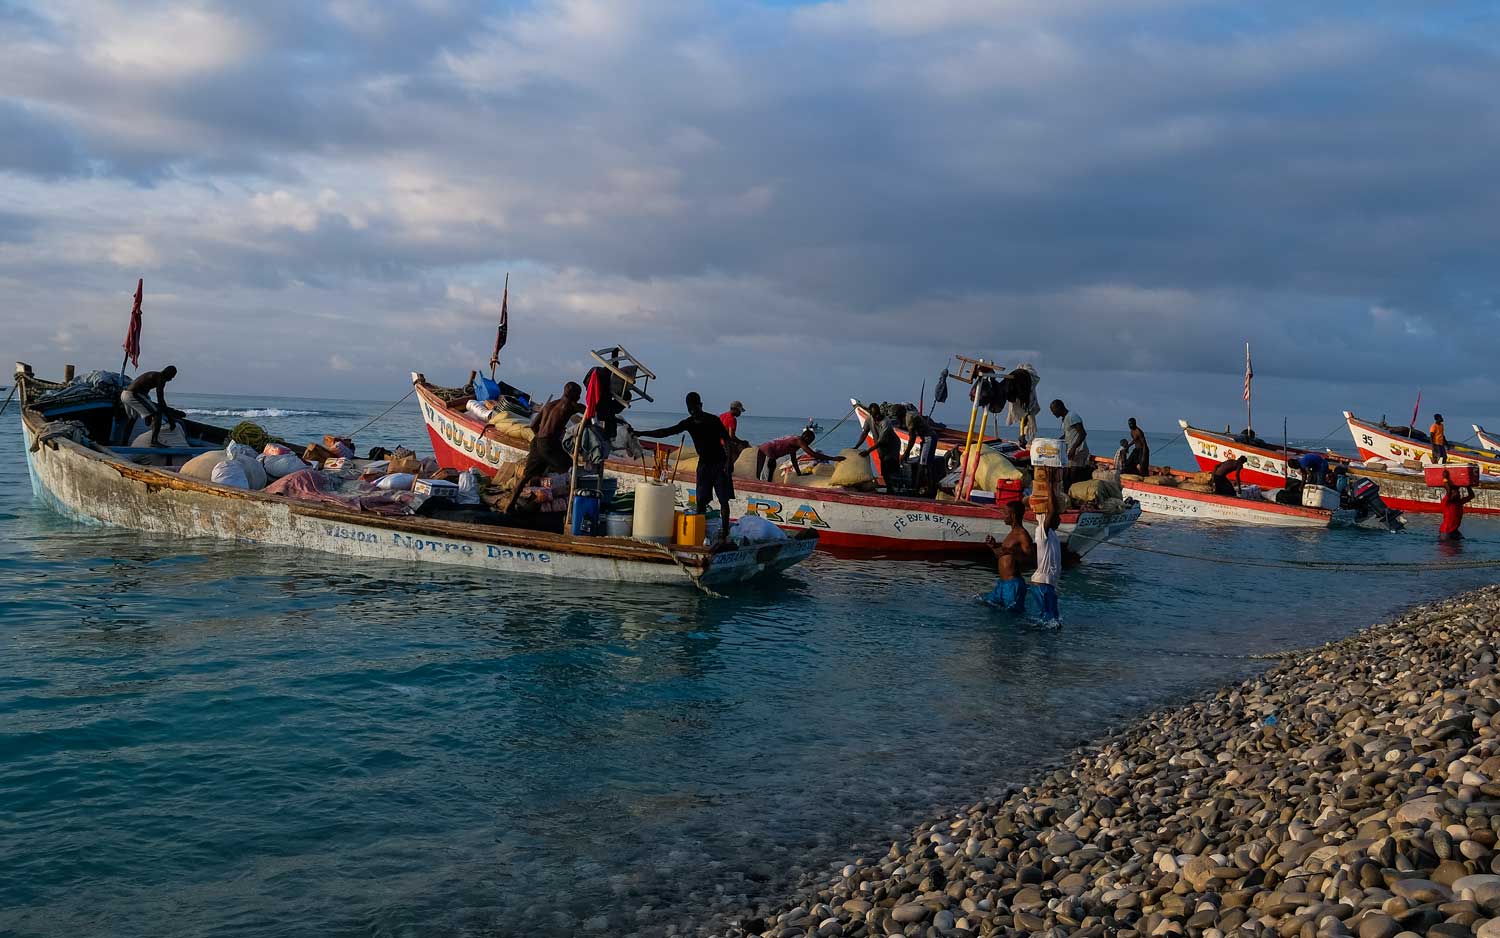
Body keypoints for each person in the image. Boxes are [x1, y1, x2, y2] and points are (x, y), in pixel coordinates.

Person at [638, 392, 735, 543]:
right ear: (688, 409)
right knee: (701, 501)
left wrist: (729, 462)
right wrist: (641, 433)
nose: (693, 412)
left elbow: (728, 441)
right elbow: (666, 432)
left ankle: (725, 534)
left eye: (695, 408)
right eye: (690, 410)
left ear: (701, 405)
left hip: (720, 463)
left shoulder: (713, 420)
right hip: (703, 465)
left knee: (724, 500)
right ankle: (700, 535)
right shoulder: (688, 423)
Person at [502, 382, 584, 512]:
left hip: (537, 440)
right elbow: (589, 412)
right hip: (548, 443)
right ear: (574, 395)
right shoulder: (570, 405)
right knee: (569, 467)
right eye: (579, 395)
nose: (579, 398)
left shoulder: (549, 405)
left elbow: (533, 425)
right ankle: (571, 509)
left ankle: (509, 506)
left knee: (526, 477)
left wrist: (541, 442)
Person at [981, 501, 1036, 612]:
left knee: (1013, 616)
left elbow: (1031, 559)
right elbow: (1001, 555)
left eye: (1005, 513)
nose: (1003, 516)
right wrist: (993, 546)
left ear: (1013, 515)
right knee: (982, 601)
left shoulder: (1022, 535)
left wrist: (1013, 551)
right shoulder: (1011, 534)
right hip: (1002, 584)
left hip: (1013, 585)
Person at [119, 365, 180, 446]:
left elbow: (144, 394)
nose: (171, 379)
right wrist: (170, 419)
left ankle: (123, 443)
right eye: (172, 376)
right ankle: (154, 441)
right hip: (133, 395)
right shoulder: (160, 378)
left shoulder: (154, 375)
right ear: (168, 373)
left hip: (124, 394)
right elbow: (161, 400)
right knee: (157, 414)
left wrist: (147, 415)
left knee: (132, 419)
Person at [756, 429, 838, 481]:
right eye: (810, 440)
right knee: (770, 467)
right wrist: (833, 458)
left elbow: (794, 460)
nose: (810, 443)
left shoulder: (795, 443)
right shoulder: (799, 441)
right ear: (806, 438)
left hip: (763, 447)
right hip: (768, 450)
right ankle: (769, 485)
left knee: (759, 474)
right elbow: (813, 454)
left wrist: (799, 474)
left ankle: (765, 483)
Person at [1031, 498, 1062, 626]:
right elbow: (1052, 511)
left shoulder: (1053, 535)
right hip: (1042, 585)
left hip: (1049, 585)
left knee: (1054, 621)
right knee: (1047, 622)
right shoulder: (1041, 532)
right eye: (1056, 517)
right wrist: (1049, 484)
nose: (1060, 520)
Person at [1050, 399, 1090, 487]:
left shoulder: (1072, 416)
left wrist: (1073, 448)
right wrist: (1055, 442)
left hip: (1079, 451)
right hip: (1071, 452)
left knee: (1073, 477)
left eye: (1053, 411)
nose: (1053, 413)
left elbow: (1083, 434)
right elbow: (1067, 434)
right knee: (1066, 477)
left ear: (1059, 407)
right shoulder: (1064, 419)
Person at [860, 403, 903, 484]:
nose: (876, 416)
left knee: (890, 465)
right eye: (874, 414)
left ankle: (893, 488)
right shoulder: (869, 419)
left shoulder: (886, 422)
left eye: (877, 414)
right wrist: (856, 446)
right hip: (882, 447)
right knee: (883, 468)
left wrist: (868, 451)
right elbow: (864, 433)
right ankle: (889, 487)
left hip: (892, 446)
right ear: (870, 413)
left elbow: (881, 442)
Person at [901, 408, 941, 494]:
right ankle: (930, 488)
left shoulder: (909, 418)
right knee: (926, 464)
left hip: (928, 439)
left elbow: (912, 439)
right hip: (927, 439)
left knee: (923, 465)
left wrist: (905, 453)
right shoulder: (909, 414)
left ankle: (919, 489)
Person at [1439, 472, 1474, 540]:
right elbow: (1448, 491)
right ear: (1451, 494)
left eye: (1458, 493)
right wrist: (1445, 478)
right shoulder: (1447, 503)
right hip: (1446, 532)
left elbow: (1471, 496)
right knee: (1449, 548)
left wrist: (1467, 485)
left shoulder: (1459, 502)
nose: (1458, 494)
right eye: (1456, 493)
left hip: (1455, 530)